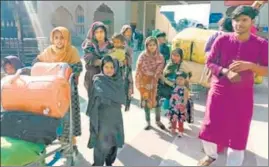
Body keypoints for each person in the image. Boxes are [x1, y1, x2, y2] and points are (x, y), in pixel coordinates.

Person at [198, 6, 268, 166]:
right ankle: (211, 155)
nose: (239, 24)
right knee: (209, 126)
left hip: (242, 95)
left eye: (244, 20)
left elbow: (267, 70)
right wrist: (225, 71)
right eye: (236, 20)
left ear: (252, 21)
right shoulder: (221, 39)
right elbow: (209, 62)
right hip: (219, 92)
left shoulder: (261, 44)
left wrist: (250, 66)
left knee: (239, 131)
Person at [33, 27, 83, 150]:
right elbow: (36, 62)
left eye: (62, 38)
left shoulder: (72, 51)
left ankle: (71, 142)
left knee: (67, 116)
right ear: (52, 39)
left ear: (67, 39)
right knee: (52, 115)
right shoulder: (48, 51)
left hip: (67, 90)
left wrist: (63, 68)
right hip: (51, 90)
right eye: (56, 38)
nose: (59, 41)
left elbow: (78, 67)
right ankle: (58, 139)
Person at [86, 55, 125, 166]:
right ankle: (98, 163)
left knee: (113, 143)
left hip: (115, 118)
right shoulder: (98, 80)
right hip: (101, 118)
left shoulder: (118, 81)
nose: (109, 70)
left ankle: (109, 162)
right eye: (106, 67)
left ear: (116, 68)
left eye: (112, 67)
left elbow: (122, 97)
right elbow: (95, 96)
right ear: (102, 67)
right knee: (101, 143)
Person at [135, 36, 166, 130]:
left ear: (157, 45)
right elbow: (140, 68)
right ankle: (148, 122)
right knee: (146, 103)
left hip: (156, 84)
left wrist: (153, 76)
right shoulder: (143, 56)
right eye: (149, 45)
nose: (152, 47)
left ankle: (158, 120)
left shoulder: (160, 57)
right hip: (145, 83)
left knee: (157, 103)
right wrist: (147, 76)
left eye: (154, 45)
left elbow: (159, 70)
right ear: (146, 46)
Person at [82, 21, 113, 97]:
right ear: (93, 33)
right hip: (93, 77)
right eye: (96, 32)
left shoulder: (110, 45)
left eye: (101, 32)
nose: (99, 34)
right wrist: (102, 62)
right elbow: (88, 58)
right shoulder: (89, 45)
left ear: (105, 32)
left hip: (109, 76)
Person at [110, 33, 133, 111]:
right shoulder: (114, 49)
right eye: (115, 42)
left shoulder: (122, 50)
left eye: (118, 42)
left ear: (123, 42)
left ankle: (123, 102)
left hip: (120, 71)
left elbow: (115, 58)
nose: (116, 44)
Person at [168, 71, 189, 137]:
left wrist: (184, 105)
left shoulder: (185, 89)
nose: (179, 80)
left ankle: (180, 130)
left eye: (181, 79)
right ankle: (173, 128)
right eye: (178, 79)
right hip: (173, 106)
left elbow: (185, 98)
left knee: (180, 120)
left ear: (185, 80)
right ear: (175, 80)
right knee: (173, 119)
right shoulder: (174, 86)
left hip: (180, 107)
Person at [120, 25, 134, 110]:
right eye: (127, 31)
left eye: (130, 31)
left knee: (128, 81)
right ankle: (124, 100)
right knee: (125, 81)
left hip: (128, 64)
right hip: (123, 64)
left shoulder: (129, 41)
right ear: (123, 31)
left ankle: (127, 98)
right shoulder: (121, 40)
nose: (129, 33)